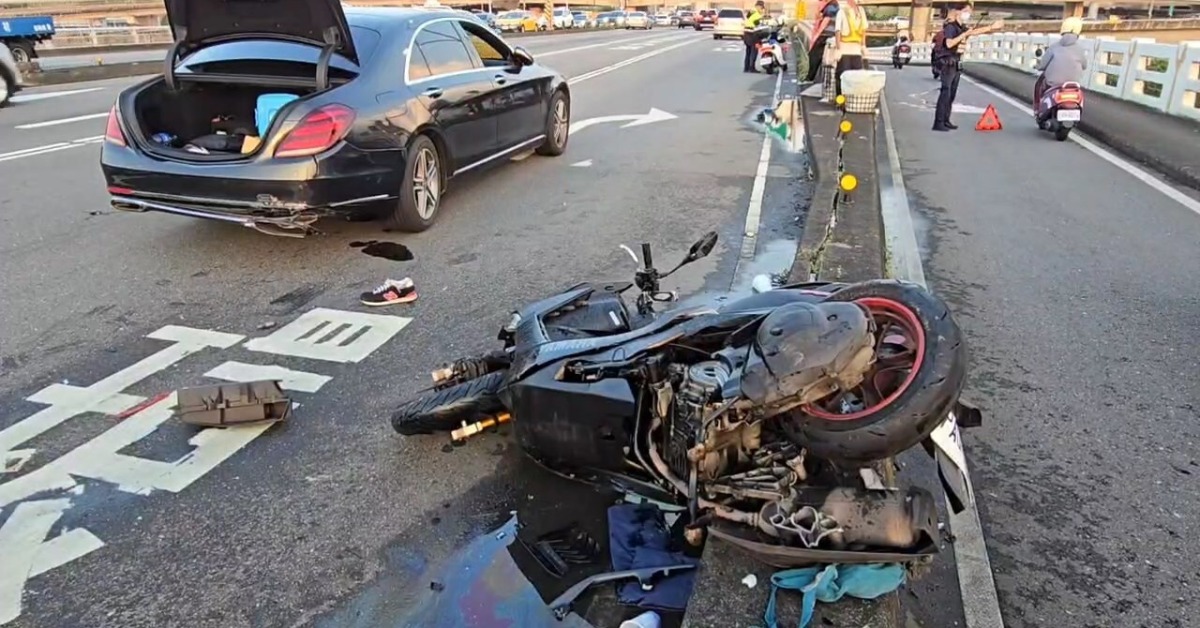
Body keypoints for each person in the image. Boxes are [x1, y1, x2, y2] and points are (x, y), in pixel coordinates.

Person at [931, 5, 1002, 131]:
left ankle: (946, 120)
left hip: (956, 63)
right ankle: (939, 122)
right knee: (945, 93)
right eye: (966, 11)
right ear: (957, 12)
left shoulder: (960, 27)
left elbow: (973, 32)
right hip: (948, 63)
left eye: (969, 12)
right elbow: (949, 43)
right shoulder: (950, 27)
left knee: (951, 94)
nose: (968, 14)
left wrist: (991, 27)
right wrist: (964, 34)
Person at [1033, 16, 1088, 114]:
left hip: (1053, 84)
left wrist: (1037, 66)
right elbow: (1084, 66)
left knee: (1039, 85)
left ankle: (1038, 108)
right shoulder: (1080, 50)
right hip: (1073, 84)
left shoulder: (1054, 47)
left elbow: (1042, 65)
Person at [832, 0, 867, 99]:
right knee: (843, 76)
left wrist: (863, 46)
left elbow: (864, 30)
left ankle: (852, 100)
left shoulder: (861, 11)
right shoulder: (842, 11)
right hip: (844, 49)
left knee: (856, 77)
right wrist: (838, 49)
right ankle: (840, 100)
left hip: (856, 50)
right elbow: (837, 31)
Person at [805, 0, 840, 82]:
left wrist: (816, 36)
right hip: (828, 34)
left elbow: (825, 22)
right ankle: (811, 76)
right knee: (815, 54)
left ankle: (810, 77)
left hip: (826, 34)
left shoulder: (831, 6)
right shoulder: (832, 5)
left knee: (814, 54)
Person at [742, 1, 767, 73]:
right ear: (759, 7)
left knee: (748, 51)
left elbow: (748, 17)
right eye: (762, 8)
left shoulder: (751, 11)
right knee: (754, 51)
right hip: (752, 34)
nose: (762, 10)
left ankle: (746, 68)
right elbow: (758, 27)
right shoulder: (758, 15)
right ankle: (752, 68)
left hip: (746, 33)